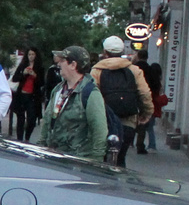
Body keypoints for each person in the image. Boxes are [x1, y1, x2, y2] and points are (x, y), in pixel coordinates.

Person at [90, 36, 153, 168]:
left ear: (104, 52)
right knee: (120, 158)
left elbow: (91, 95)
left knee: (102, 159)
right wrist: (146, 113)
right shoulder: (134, 70)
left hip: (104, 121)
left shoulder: (97, 71)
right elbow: (144, 93)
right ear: (122, 51)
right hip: (128, 120)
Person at [39, 46, 109, 161]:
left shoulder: (90, 93)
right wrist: (41, 147)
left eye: (62, 61)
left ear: (73, 65)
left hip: (78, 162)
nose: (58, 64)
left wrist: (96, 163)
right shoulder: (58, 89)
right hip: (53, 159)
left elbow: (99, 131)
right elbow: (47, 121)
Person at [134, 48, 164, 155]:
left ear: (138, 56)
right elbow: (154, 85)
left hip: (134, 98)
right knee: (145, 123)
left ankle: (129, 142)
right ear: (147, 57)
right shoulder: (150, 70)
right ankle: (141, 145)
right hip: (146, 98)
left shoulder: (133, 68)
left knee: (131, 120)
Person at [10, 48, 43, 141]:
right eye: (29, 54)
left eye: (33, 54)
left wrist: (35, 76)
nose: (31, 56)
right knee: (20, 119)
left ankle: (27, 137)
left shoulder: (39, 67)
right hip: (21, 95)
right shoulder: (22, 66)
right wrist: (23, 73)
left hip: (32, 97)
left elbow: (42, 83)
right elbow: (15, 79)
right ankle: (19, 139)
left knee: (31, 119)